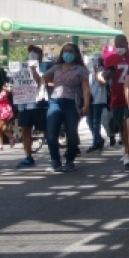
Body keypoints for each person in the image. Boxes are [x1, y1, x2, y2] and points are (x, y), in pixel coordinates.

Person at [43, 43, 90, 172]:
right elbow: (44, 79)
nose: (67, 54)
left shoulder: (80, 69)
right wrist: (34, 70)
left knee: (71, 133)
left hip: (72, 102)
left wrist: (86, 105)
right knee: (51, 132)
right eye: (65, 51)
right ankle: (55, 160)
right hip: (55, 101)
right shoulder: (56, 67)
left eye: (70, 51)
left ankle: (70, 160)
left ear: (75, 54)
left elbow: (85, 88)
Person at [103, 35, 129, 165]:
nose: (119, 48)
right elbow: (105, 77)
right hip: (117, 96)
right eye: (117, 46)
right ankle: (127, 150)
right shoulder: (110, 58)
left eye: (121, 45)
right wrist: (107, 75)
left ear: (127, 44)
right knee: (122, 127)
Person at [16, 45, 48, 168]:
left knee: (45, 129)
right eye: (30, 53)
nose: (32, 55)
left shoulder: (45, 67)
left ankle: (53, 155)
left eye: (34, 53)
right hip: (24, 104)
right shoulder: (21, 67)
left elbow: (41, 81)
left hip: (39, 103)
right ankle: (28, 156)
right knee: (25, 129)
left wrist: (34, 69)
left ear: (40, 55)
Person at [86, 54, 108, 153]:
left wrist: (96, 71)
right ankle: (98, 138)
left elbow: (101, 82)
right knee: (89, 121)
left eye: (96, 60)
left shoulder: (104, 71)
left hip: (99, 100)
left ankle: (95, 143)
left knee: (96, 122)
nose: (94, 62)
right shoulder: (88, 72)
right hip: (90, 99)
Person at [0, 66, 16, 150]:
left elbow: (10, 90)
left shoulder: (4, 85)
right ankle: (0, 144)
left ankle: (11, 137)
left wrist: (3, 88)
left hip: (4, 108)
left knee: (1, 125)